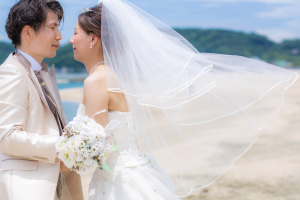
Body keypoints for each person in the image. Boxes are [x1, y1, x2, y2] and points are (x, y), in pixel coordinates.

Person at [70, 0, 298, 199]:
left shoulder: (95, 81)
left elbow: (97, 145)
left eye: (75, 32)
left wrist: (64, 155)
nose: (70, 40)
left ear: (94, 39)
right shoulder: (119, 75)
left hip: (118, 177)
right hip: (135, 169)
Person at [0, 1, 83, 200]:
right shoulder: (12, 72)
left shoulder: (40, 71)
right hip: (27, 189)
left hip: (54, 184)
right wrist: (63, 146)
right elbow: (7, 136)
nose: (59, 36)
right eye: (52, 27)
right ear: (27, 32)